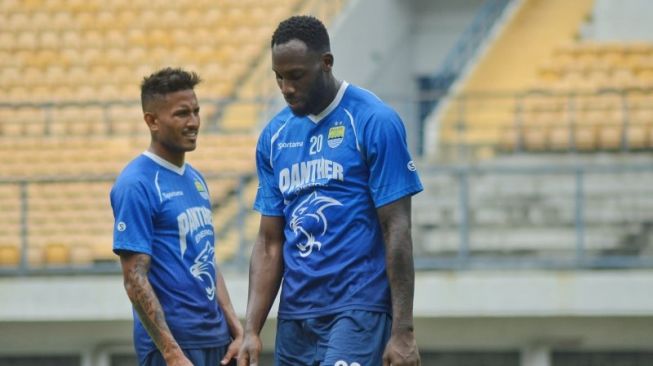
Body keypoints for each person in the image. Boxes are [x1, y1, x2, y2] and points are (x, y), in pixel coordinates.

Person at [238, 15, 422, 366]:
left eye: (295, 76)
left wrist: (403, 331)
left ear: (326, 63)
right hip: (295, 317)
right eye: (278, 77)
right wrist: (251, 329)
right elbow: (269, 242)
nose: (286, 88)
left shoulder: (373, 121)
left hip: (357, 309)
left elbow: (396, 228)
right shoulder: (274, 136)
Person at [110, 67, 243, 366]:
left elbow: (206, 258)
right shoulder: (136, 183)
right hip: (175, 349)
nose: (194, 122)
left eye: (196, 111)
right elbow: (134, 277)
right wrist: (171, 353)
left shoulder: (196, 179)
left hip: (218, 341)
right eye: (182, 114)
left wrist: (235, 327)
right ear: (152, 121)